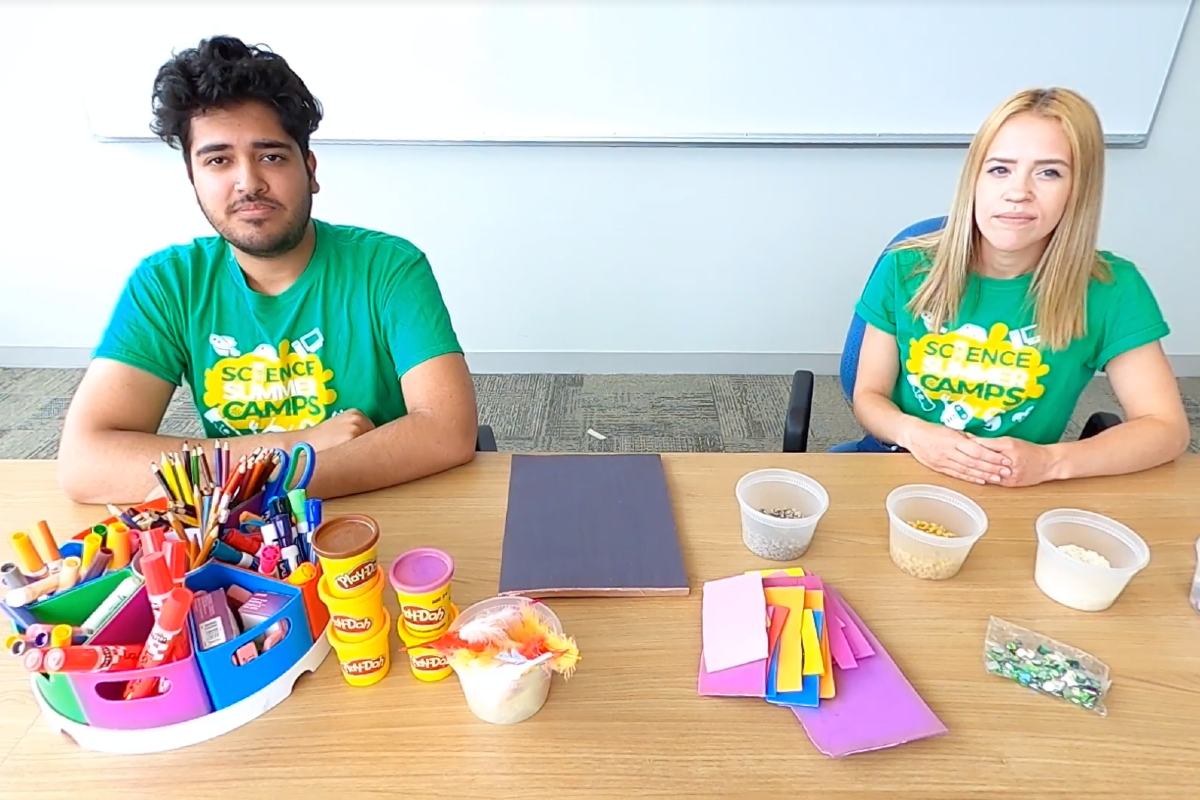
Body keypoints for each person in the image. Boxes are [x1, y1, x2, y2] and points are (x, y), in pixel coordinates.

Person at [58, 36, 478, 503]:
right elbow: (86, 464)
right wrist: (292, 450)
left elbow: (446, 431)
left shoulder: (389, 267)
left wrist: (249, 481)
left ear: (310, 170)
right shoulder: (168, 283)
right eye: (218, 160)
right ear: (193, 179)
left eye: (271, 156)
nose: (249, 182)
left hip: (381, 506)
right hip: (250, 538)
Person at [849, 87, 1189, 487]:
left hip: (1017, 485)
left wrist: (1052, 462)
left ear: (1079, 190)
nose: (1017, 193)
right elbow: (868, 395)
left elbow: (1166, 428)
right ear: (973, 180)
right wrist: (915, 434)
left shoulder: (1110, 288)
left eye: (1049, 172)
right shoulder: (904, 269)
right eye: (999, 169)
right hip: (901, 463)